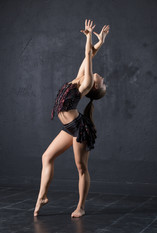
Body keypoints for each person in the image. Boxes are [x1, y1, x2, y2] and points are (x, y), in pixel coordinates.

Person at [33, 19, 110, 218]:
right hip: (70, 126)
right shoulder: (79, 79)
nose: (101, 77)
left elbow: (87, 54)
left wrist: (88, 37)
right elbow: (89, 56)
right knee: (46, 157)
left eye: (102, 82)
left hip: (79, 129)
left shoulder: (85, 84)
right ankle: (42, 196)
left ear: (94, 87)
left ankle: (81, 207)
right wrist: (99, 41)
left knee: (81, 167)